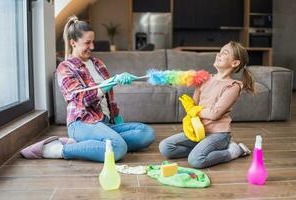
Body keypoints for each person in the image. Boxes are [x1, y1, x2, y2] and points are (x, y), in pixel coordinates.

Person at [21, 16, 155, 162]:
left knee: (146, 133)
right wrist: (111, 81)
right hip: (82, 122)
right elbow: (83, 99)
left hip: (105, 123)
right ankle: (58, 149)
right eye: (87, 43)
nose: (92, 47)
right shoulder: (65, 68)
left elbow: (109, 100)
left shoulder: (98, 64)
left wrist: (117, 120)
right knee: (117, 148)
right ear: (73, 43)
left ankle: (94, 144)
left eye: (93, 42)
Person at [159, 41, 254, 169]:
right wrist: (192, 89)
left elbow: (214, 114)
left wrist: (194, 110)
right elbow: (195, 105)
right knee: (165, 147)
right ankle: (202, 149)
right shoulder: (205, 79)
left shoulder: (233, 86)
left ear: (235, 63)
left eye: (224, 53)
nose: (218, 55)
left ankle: (233, 151)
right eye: (219, 51)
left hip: (218, 134)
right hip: (199, 131)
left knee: (196, 161)